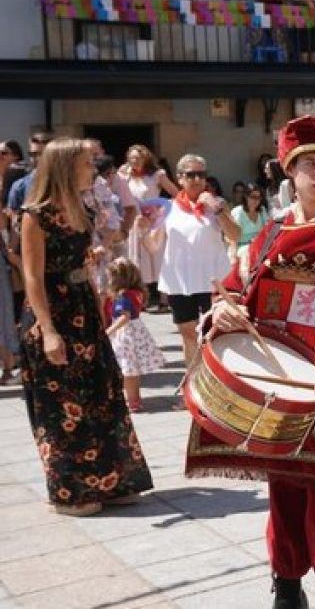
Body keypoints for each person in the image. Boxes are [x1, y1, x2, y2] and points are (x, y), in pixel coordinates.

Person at [191, 116, 315, 609]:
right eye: (309, 164)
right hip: (275, 382)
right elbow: (238, 285)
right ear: (289, 171)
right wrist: (228, 305)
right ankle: (287, 584)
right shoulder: (271, 232)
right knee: (284, 492)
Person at [20, 138, 153, 516]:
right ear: (64, 167)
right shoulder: (35, 214)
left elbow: (82, 263)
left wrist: (97, 295)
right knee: (63, 403)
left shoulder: (81, 206)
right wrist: (47, 331)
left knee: (101, 392)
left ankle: (112, 482)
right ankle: (72, 491)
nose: (91, 169)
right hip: (52, 309)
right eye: (84, 163)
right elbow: (32, 277)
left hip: (82, 306)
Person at [158, 154, 240, 369]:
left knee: (216, 334)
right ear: (179, 178)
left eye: (201, 175)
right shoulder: (168, 207)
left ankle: (217, 385)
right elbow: (153, 245)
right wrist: (144, 227)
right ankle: (192, 384)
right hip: (180, 279)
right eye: (191, 175)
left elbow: (235, 235)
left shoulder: (218, 204)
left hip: (213, 280)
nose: (196, 179)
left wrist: (218, 210)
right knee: (188, 335)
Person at [119, 144, 179, 310]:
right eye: (131, 158)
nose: (135, 161)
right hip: (135, 222)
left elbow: (176, 193)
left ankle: (164, 299)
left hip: (154, 221)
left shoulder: (156, 175)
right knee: (136, 259)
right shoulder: (125, 175)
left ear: (146, 158)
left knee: (158, 258)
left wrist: (162, 210)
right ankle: (141, 298)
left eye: (138, 158)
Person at [104, 257, 164, 412]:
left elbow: (124, 317)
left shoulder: (122, 296)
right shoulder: (136, 292)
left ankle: (131, 401)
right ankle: (135, 399)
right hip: (136, 331)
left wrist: (109, 331)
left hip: (125, 334)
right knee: (133, 371)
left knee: (127, 370)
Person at [230, 182, 270, 274]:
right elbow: (232, 237)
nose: (256, 200)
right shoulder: (238, 212)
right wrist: (233, 257)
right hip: (242, 247)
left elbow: (268, 230)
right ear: (246, 197)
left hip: (259, 246)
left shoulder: (262, 210)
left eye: (258, 197)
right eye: (253, 197)